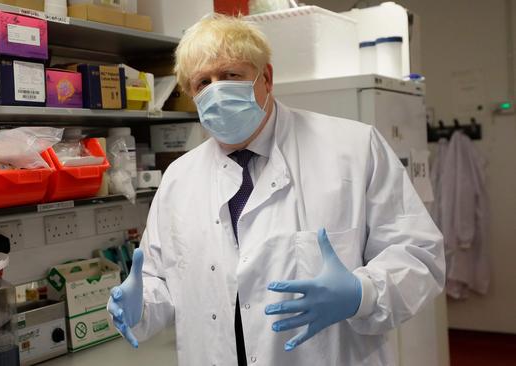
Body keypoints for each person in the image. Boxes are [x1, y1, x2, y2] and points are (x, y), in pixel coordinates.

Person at [107, 14, 445, 366]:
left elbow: (419, 255)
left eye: (230, 75)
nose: (216, 90)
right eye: (202, 82)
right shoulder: (178, 179)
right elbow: (162, 281)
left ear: (266, 77)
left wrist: (363, 294)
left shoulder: (355, 149)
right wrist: (138, 305)